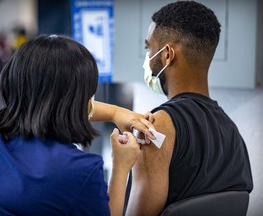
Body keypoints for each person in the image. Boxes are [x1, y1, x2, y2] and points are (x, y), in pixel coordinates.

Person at [95, 1, 254, 215]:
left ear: (167, 54)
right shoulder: (232, 132)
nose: (147, 58)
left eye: (148, 48)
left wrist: (119, 167)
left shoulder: (156, 127)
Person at [0, 34, 151, 216]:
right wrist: (121, 167)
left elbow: (50, 103)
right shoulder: (79, 171)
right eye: (88, 96)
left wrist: (116, 113)